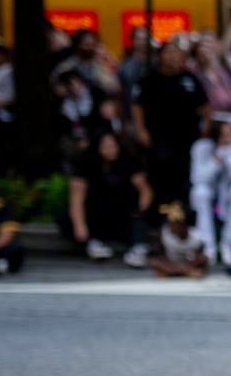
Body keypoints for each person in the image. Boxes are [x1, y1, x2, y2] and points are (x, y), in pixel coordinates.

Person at [131, 39, 210, 211]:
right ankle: (160, 211)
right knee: (160, 173)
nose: (174, 56)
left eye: (177, 53)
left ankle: (182, 213)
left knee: (185, 174)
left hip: (187, 137)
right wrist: (140, 129)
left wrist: (206, 127)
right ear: (160, 55)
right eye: (169, 52)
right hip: (158, 137)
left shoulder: (190, 78)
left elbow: (205, 105)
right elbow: (137, 106)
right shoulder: (149, 79)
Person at [67, 130, 152, 266]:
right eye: (106, 147)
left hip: (123, 212)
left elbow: (144, 189)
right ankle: (93, 244)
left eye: (113, 146)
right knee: (68, 218)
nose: (111, 150)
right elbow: (76, 199)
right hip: (96, 213)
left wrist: (142, 208)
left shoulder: (127, 161)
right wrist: (80, 226)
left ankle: (138, 248)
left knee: (138, 216)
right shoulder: (85, 164)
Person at [189, 120, 231, 271]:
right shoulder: (201, 148)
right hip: (211, 191)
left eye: (230, 135)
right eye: (222, 135)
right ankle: (208, 245)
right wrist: (216, 159)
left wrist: (229, 158)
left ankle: (228, 243)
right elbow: (197, 178)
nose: (226, 139)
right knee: (200, 192)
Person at [145, 201, 210, 279]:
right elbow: (158, 255)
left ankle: (174, 272)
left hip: (188, 263)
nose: (170, 227)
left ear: (182, 224)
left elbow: (201, 257)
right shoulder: (164, 234)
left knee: (203, 259)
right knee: (154, 262)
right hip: (171, 263)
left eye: (173, 224)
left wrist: (196, 259)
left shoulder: (196, 236)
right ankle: (186, 272)